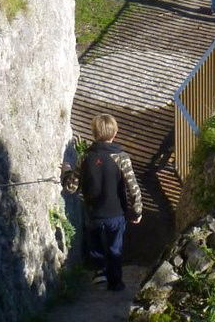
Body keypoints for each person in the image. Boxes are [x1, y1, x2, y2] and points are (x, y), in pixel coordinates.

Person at [79, 113, 143, 293]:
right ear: (115, 133)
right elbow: (133, 187)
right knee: (115, 248)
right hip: (116, 213)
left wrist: (66, 171)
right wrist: (137, 211)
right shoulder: (121, 157)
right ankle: (116, 283)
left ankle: (100, 272)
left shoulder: (84, 157)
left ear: (94, 133)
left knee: (95, 244)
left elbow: (71, 186)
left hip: (93, 214)